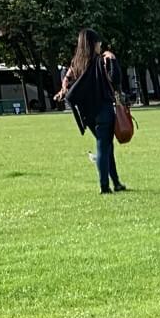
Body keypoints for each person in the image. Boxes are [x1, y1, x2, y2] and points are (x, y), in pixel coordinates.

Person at [53, 28, 125, 194]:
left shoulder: (76, 63)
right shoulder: (101, 60)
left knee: (106, 146)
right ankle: (104, 185)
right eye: (99, 42)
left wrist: (61, 92)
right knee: (103, 146)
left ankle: (116, 181)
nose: (101, 45)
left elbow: (67, 81)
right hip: (103, 109)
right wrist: (112, 59)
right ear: (94, 43)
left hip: (87, 113)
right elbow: (115, 79)